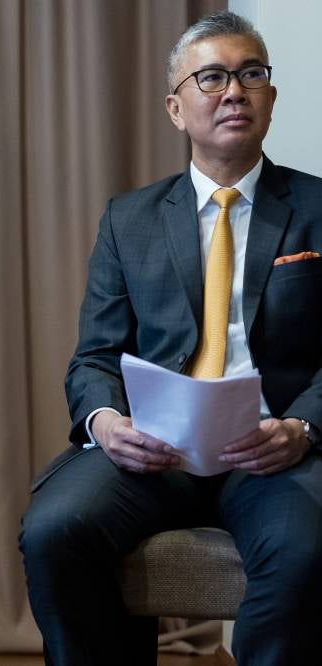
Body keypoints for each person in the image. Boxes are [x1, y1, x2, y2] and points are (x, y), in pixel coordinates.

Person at [20, 11, 322, 666]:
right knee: (54, 531)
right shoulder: (128, 219)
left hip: (274, 450)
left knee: (305, 550)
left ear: (270, 95)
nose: (233, 91)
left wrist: (302, 427)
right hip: (155, 449)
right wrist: (105, 422)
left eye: (251, 74)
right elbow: (94, 356)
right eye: (211, 77)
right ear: (175, 107)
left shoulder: (318, 209)